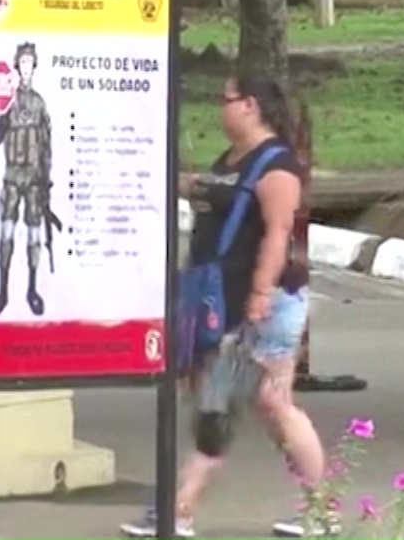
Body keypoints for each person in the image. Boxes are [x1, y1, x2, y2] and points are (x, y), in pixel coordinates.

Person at [123, 77, 327, 539]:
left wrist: (258, 296)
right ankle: (183, 510)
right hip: (221, 299)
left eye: (226, 100)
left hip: (265, 304)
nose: (220, 108)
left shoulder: (276, 166)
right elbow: (213, 198)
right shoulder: (231, 159)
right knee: (228, 402)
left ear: (251, 106)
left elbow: (278, 234)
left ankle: (181, 510)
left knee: (262, 404)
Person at [0, 40, 57, 316]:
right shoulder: (7, 101)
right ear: (17, 67)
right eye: (23, 63)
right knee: (6, 233)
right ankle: (3, 291)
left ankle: (32, 290)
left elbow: (47, 145)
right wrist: (3, 120)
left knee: (33, 234)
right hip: (11, 174)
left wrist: (47, 180)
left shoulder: (39, 104)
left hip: (33, 177)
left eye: (31, 63)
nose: (27, 68)